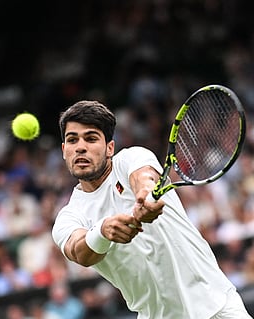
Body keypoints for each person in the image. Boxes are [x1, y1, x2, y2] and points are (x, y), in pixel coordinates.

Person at [51, 100, 252, 319]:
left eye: (91, 138)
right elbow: (78, 251)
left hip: (218, 305)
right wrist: (102, 231)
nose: (80, 146)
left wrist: (145, 197)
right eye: (72, 140)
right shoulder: (69, 216)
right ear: (64, 150)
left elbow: (145, 178)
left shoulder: (132, 158)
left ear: (110, 147)